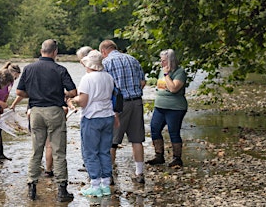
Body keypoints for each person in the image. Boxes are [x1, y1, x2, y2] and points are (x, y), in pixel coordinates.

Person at [16, 39, 77, 202]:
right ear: (55, 52)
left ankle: (32, 187)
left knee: (36, 150)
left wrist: (35, 94)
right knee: (58, 151)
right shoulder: (60, 69)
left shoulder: (29, 68)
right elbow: (73, 91)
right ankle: (62, 190)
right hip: (55, 111)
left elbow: (19, 92)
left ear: (41, 50)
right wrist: (61, 94)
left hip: (35, 112)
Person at [70, 50, 116, 197]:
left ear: (89, 64)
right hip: (108, 116)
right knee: (104, 151)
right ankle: (106, 185)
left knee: (90, 152)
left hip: (92, 117)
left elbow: (83, 101)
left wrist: (73, 100)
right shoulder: (109, 77)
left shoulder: (87, 78)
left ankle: (95, 185)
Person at [99, 40, 147, 184]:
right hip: (136, 101)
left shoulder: (107, 63)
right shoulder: (132, 59)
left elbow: (105, 86)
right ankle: (139, 174)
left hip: (119, 104)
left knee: (112, 141)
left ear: (103, 51)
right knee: (137, 140)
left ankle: (109, 175)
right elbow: (143, 82)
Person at [146, 49, 187, 168]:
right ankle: (159, 155)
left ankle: (177, 158)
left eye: (163, 60)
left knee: (173, 132)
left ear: (170, 61)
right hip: (160, 106)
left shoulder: (180, 72)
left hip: (175, 107)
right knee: (154, 129)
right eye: (161, 60)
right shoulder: (161, 71)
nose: (161, 62)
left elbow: (174, 88)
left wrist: (166, 75)